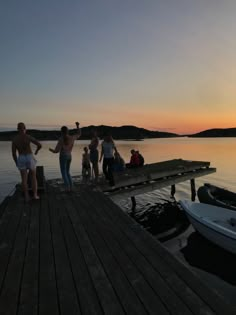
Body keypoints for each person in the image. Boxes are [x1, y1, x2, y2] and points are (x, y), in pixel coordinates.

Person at [12, 122, 42, 202]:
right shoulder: (28, 137)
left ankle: (26, 197)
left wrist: (16, 162)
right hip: (29, 157)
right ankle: (35, 195)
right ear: (25, 128)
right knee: (33, 177)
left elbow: (14, 153)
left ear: (18, 129)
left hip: (21, 157)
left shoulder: (15, 139)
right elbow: (39, 145)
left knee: (24, 179)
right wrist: (36, 151)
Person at [49, 122, 81, 192]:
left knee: (64, 172)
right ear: (68, 131)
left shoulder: (61, 139)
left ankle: (67, 188)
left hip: (63, 156)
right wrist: (78, 126)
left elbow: (56, 151)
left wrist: (51, 150)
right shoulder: (72, 138)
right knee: (67, 172)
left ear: (61, 132)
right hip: (69, 156)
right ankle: (71, 187)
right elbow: (79, 134)